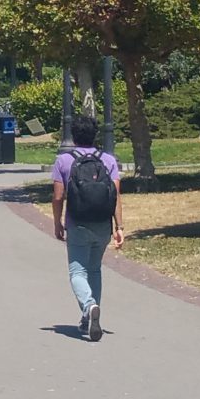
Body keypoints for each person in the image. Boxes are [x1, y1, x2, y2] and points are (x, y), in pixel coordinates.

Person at [51, 115, 124, 341]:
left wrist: (57, 222)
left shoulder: (63, 160)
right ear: (95, 135)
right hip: (103, 223)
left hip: (78, 223)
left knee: (77, 271)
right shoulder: (108, 160)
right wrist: (119, 226)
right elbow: (116, 195)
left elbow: (58, 196)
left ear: (73, 136)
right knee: (94, 270)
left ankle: (89, 306)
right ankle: (89, 319)